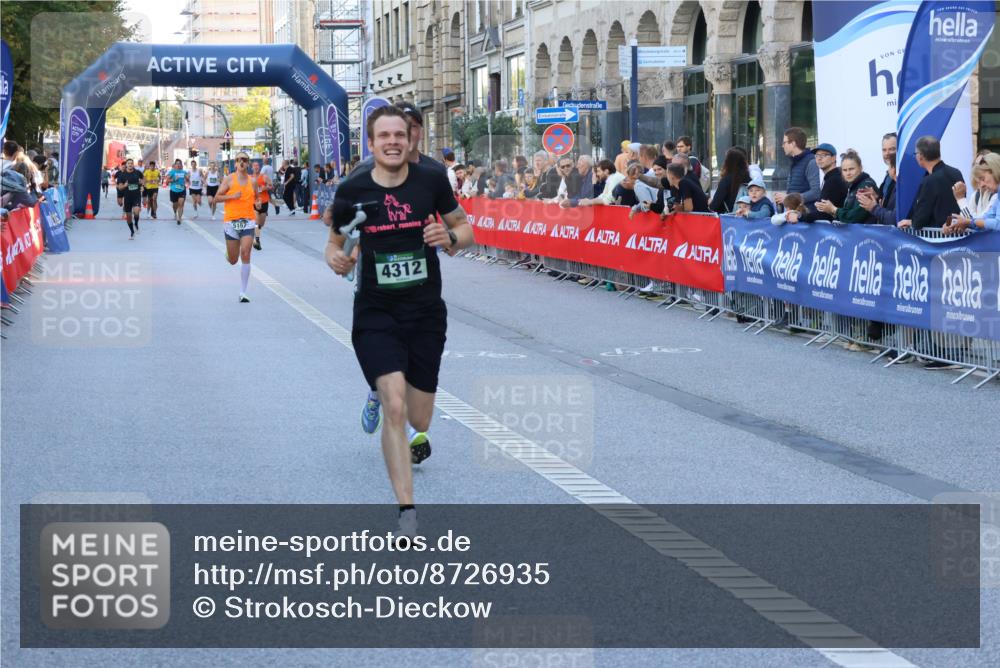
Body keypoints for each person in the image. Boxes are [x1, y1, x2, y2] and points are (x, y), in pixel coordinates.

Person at [325, 105, 473, 538]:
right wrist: (337, 259)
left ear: (410, 141)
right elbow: (334, 244)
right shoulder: (352, 189)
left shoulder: (431, 181)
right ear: (371, 144)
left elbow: (465, 229)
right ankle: (407, 511)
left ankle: (385, 390)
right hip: (376, 311)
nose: (392, 142)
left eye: (399, 135)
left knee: (420, 420)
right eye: (384, 136)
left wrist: (449, 237)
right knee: (395, 406)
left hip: (425, 312)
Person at [214, 152, 259, 303]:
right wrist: (232, 196)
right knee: (233, 260)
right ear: (235, 163)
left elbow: (257, 198)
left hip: (248, 221)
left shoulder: (253, 181)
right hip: (231, 222)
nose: (241, 162)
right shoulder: (229, 179)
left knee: (245, 252)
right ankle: (229, 254)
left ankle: (243, 292)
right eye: (239, 160)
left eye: (244, 160)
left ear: (248, 163)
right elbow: (217, 198)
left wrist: (258, 203)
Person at [897, 136, 963, 230]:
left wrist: (912, 222)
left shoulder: (929, 181)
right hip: (958, 232)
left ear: (920, 156)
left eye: (915, 154)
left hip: (938, 235)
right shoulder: (956, 173)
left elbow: (920, 218)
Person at [814, 150, 878, 223]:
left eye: (851, 169)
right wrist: (830, 210)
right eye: (845, 170)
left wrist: (833, 209)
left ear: (860, 168)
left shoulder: (866, 186)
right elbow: (848, 214)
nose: (848, 173)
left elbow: (855, 217)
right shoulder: (853, 186)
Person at [773, 127, 821, 210]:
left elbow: (816, 192)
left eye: (784, 143)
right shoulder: (795, 162)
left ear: (793, 143)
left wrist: (789, 198)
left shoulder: (811, 162)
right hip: (795, 213)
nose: (782, 146)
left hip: (807, 214)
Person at [801, 143, 848, 222]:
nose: (819, 158)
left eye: (824, 155)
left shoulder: (834, 180)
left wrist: (800, 216)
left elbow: (824, 214)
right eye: (817, 155)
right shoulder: (831, 177)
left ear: (833, 158)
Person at [953, 153, 997, 219]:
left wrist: (961, 200)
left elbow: (977, 221)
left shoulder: (996, 196)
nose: (982, 184)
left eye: (983, 178)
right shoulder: (976, 195)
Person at [859, 153, 897, 226]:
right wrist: (877, 197)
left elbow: (894, 219)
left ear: (894, 169)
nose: (887, 170)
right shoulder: (895, 185)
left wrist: (873, 208)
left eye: (889, 167)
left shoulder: (902, 190)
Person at [710, 148, 751, 214]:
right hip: (746, 214)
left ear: (728, 163)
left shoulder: (726, 180)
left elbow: (716, 204)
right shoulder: (749, 179)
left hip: (728, 216)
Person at [115, 158, 142, 239]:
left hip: (136, 196)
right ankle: (132, 231)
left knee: (136, 212)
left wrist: (142, 186)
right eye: (128, 163)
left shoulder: (137, 172)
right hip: (127, 198)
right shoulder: (122, 175)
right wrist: (124, 185)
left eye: (131, 163)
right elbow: (120, 187)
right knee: (129, 217)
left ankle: (136, 223)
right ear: (126, 165)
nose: (130, 164)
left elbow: (143, 179)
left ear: (133, 164)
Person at [251, 160, 273, 251]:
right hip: (254, 202)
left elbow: (271, 186)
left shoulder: (264, 177)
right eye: (254, 166)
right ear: (252, 167)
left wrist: (265, 187)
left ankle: (256, 235)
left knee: (261, 224)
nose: (256, 167)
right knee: (256, 222)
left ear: (259, 167)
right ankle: (257, 240)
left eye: (257, 166)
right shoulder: (250, 178)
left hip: (264, 202)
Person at [166, 159, 188, 225]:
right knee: (175, 205)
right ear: (175, 165)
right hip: (173, 191)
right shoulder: (172, 172)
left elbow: (188, 179)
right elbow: (167, 181)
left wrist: (187, 178)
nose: (178, 165)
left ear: (181, 165)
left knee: (181, 204)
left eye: (179, 164)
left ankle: (179, 218)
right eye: (177, 164)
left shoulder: (184, 172)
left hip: (182, 190)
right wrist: (173, 179)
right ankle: (175, 212)